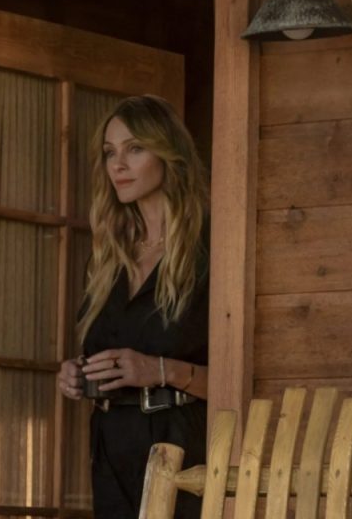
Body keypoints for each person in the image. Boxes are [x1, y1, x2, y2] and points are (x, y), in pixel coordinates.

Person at [56, 95, 210, 519]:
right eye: (110, 153)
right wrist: (75, 373)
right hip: (111, 444)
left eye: (134, 149)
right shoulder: (111, 256)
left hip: (182, 445)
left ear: (167, 153)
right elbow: (109, 349)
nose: (117, 165)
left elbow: (245, 381)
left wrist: (161, 370)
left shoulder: (209, 250)